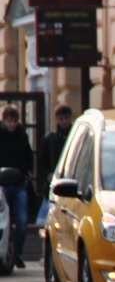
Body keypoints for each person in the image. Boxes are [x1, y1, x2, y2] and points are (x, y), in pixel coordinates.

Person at [0, 104, 34, 268]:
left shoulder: (22, 136)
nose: (12, 124)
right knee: (3, 222)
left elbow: (28, 155)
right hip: (2, 185)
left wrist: (28, 171)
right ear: (4, 121)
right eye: (9, 121)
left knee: (22, 221)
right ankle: (6, 254)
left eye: (14, 121)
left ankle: (18, 254)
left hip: (19, 183)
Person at [38, 104, 74, 224]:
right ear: (57, 119)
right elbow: (42, 160)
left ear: (70, 118)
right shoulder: (50, 138)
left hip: (72, 179)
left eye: (66, 118)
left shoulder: (75, 135)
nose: (64, 121)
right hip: (55, 181)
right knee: (51, 217)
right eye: (61, 118)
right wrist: (47, 174)